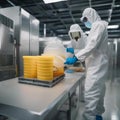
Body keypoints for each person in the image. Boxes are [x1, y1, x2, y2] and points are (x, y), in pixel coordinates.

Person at [65, 8, 108, 120]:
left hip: (96, 65)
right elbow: (87, 47)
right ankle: (98, 114)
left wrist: (75, 57)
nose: (85, 22)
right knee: (98, 90)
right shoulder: (95, 28)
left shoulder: (98, 25)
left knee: (90, 92)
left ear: (91, 16)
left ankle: (90, 117)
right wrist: (73, 52)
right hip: (96, 65)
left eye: (85, 19)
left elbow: (91, 46)